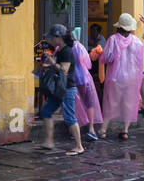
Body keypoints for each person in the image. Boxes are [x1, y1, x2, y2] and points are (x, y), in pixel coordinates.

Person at [33, 25, 84, 155]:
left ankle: (79, 146)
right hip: (59, 88)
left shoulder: (66, 51)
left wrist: (51, 62)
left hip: (66, 88)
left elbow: (64, 70)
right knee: (46, 111)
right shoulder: (59, 50)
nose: (50, 40)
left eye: (52, 37)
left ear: (59, 37)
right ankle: (48, 142)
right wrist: (46, 65)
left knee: (69, 117)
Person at [99, 13, 144, 139]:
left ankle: (103, 130)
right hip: (131, 78)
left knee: (111, 103)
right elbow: (139, 63)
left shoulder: (113, 39)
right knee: (128, 103)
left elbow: (107, 58)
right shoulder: (137, 42)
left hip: (115, 77)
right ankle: (125, 130)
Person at [71, 32, 104, 140]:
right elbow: (88, 64)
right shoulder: (79, 46)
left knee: (74, 104)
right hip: (84, 78)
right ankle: (91, 129)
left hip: (71, 79)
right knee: (89, 103)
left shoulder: (62, 48)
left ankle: (74, 130)